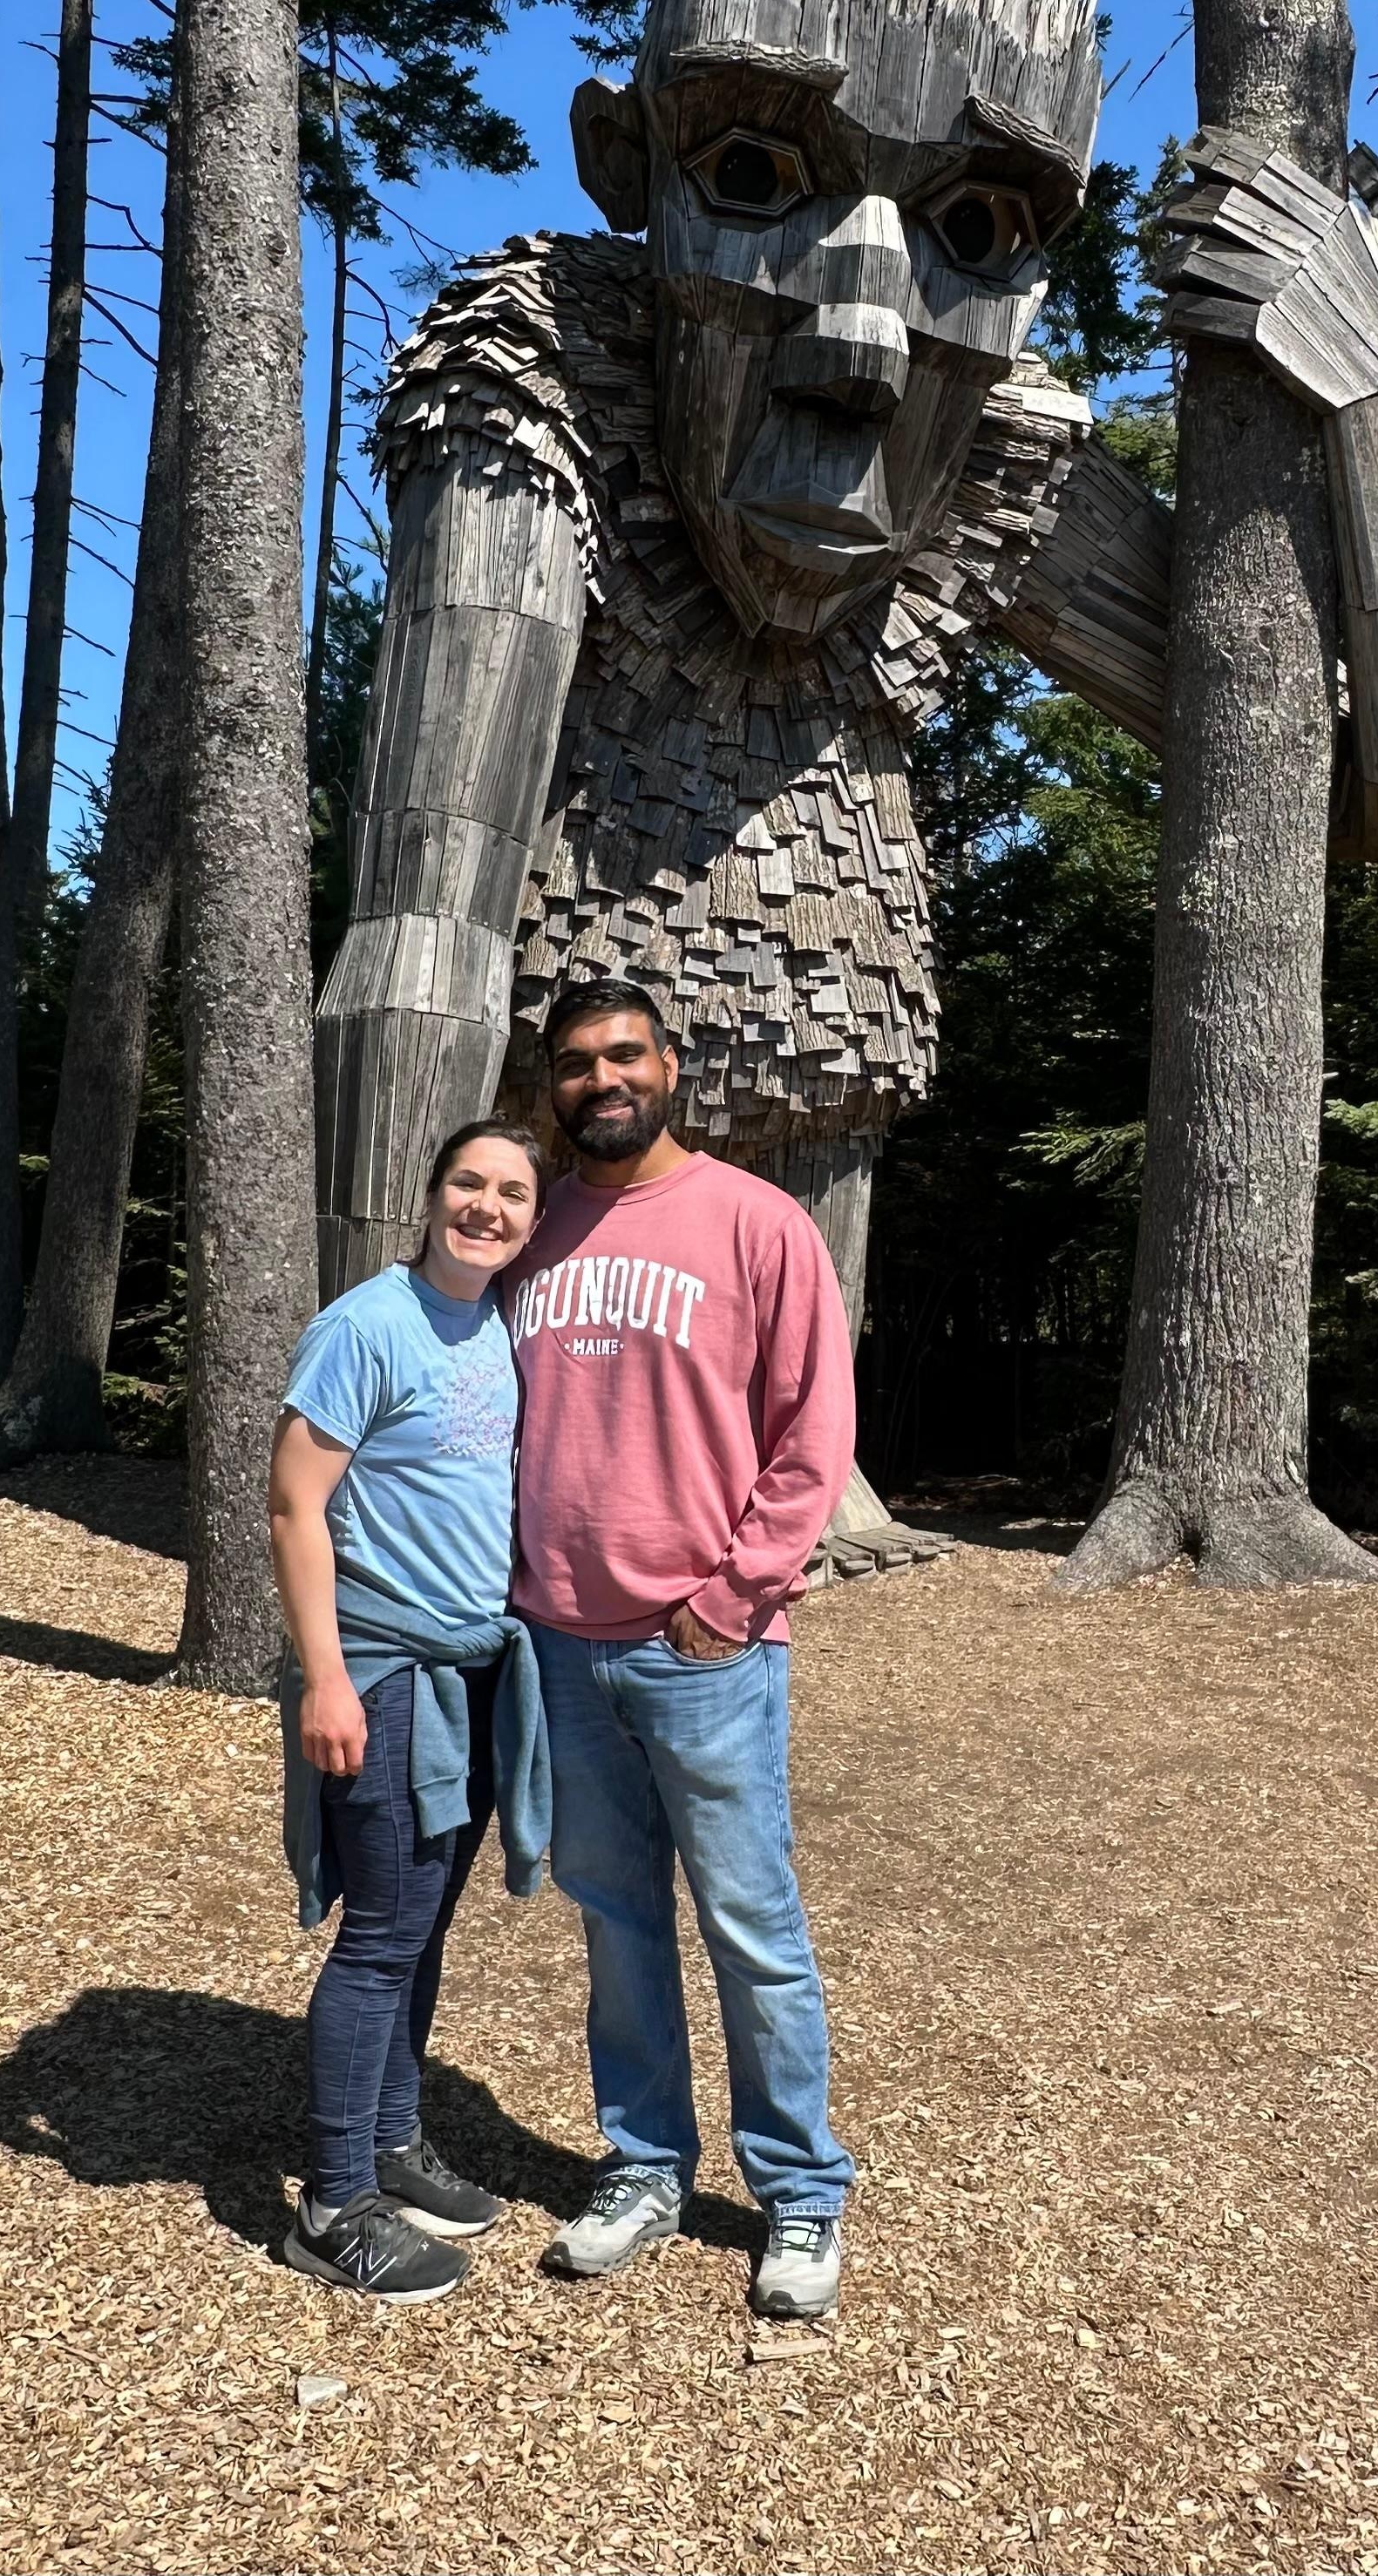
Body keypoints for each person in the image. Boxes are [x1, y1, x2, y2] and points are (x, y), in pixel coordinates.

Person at [505, 979, 858, 2322]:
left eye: (625, 1054)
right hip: (558, 1641)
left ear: (669, 1066)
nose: (602, 1078)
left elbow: (813, 1431)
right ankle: (645, 2164)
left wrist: (736, 1591)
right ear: (552, 1082)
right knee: (616, 1923)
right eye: (576, 1061)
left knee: (751, 1926)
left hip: (704, 1648)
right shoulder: (533, 1229)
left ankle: (802, 2190)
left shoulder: (757, 1222)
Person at [271, 1119, 552, 2301]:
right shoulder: (366, 1326)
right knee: (383, 1932)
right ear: (430, 1196)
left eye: (512, 1194)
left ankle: (392, 2139)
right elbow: (294, 1505)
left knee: (422, 1924)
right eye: (468, 1184)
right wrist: (327, 1678)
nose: (487, 1207)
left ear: (531, 1221)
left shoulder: (496, 1325)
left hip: (474, 1669)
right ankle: (334, 2205)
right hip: (388, 1671)